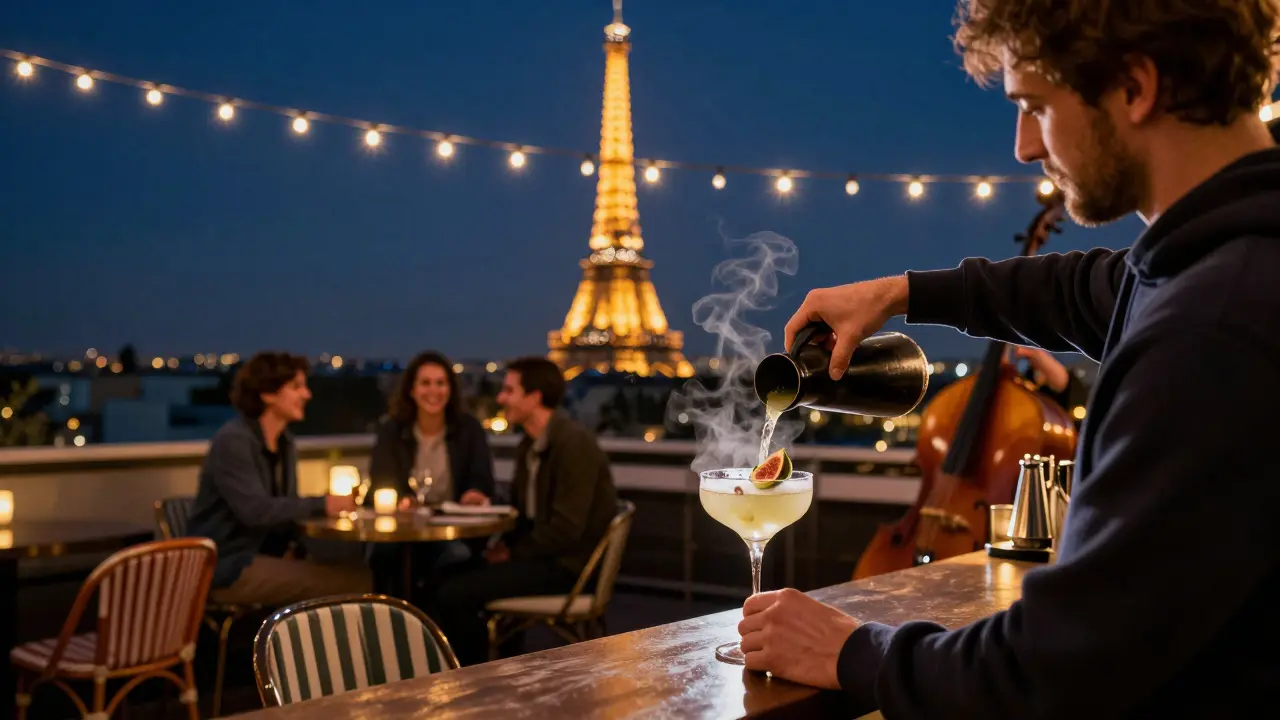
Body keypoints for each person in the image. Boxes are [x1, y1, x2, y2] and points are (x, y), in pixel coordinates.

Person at [738, 1, 1280, 717]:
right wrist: (902, 293)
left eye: (1035, 106)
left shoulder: (1212, 330)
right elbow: (1092, 289)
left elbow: (1055, 672)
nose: (1024, 147)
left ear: (1135, 86)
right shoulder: (1222, 260)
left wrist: (847, 650)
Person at [433, 356, 618, 665]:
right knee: (444, 575)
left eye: (509, 390)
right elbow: (528, 513)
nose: (501, 398)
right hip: (544, 558)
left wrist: (511, 553)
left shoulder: (572, 445)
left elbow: (566, 529)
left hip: (568, 569)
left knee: (454, 592)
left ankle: (474, 674)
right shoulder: (532, 446)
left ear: (534, 398)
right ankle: (498, 664)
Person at [188, 351, 372, 605]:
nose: (307, 394)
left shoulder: (285, 443)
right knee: (357, 583)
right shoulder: (234, 441)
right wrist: (324, 503)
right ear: (268, 393)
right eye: (297, 386)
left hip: (266, 557)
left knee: (360, 567)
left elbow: (286, 511)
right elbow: (256, 511)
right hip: (227, 566)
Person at [367, 351, 496, 599]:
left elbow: (481, 477)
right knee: (387, 556)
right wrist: (404, 499)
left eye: (440, 383)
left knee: (451, 557)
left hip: (453, 530)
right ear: (411, 390)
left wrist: (474, 493)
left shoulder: (469, 429)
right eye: (425, 383)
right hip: (403, 532)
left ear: (451, 389)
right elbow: (382, 478)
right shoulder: (392, 430)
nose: (433, 391)